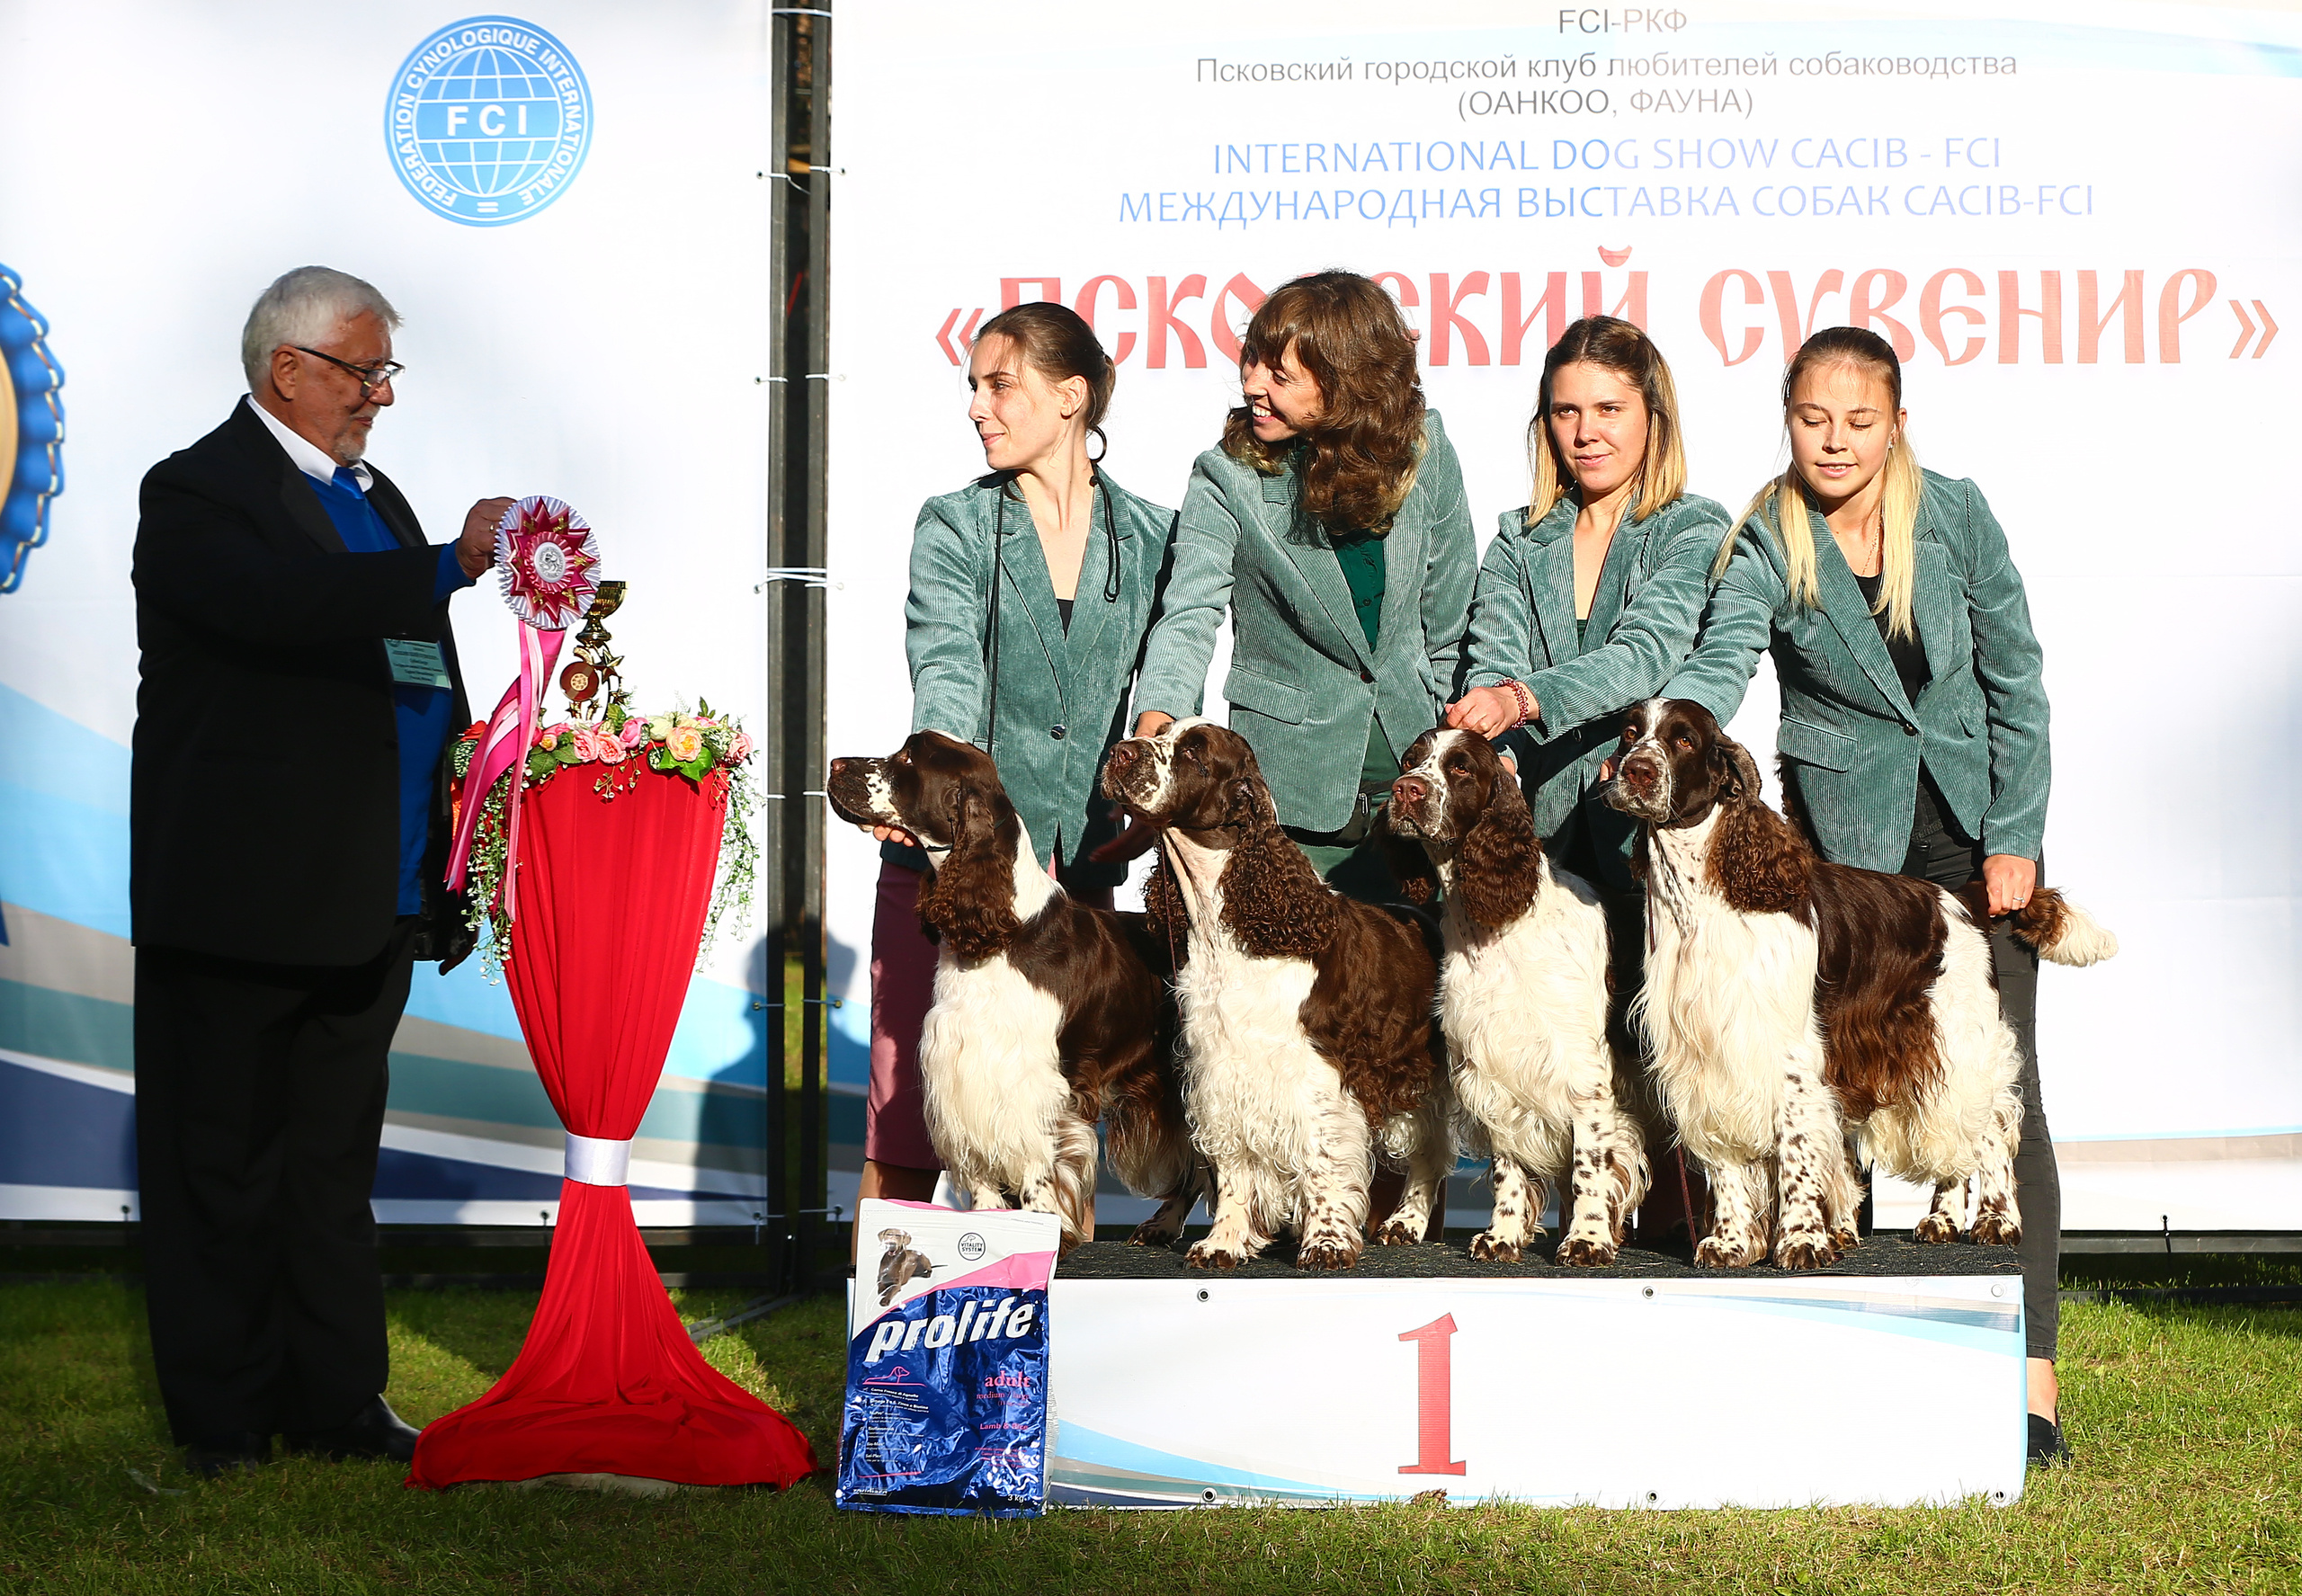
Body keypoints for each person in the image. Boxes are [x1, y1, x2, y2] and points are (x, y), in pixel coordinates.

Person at [1664, 325, 2069, 1467]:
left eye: (1859, 420)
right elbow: (1720, 659)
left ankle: (2031, 1379)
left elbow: (2016, 679)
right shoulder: (1762, 542)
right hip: (1847, 847)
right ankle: (1879, 1359)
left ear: (1897, 420)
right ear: (1784, 416)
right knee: (1851, 1084)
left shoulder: (1958, 512)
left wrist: (2017, 836)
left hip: (1977, 834)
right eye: (1812, 419)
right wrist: (1667, 730)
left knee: (2000, 1092)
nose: (1834, 440)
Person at [130, 266, 510, 1475]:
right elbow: (278, 606)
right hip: (241, 902)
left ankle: (338, 1395)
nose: (380, 396)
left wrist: (458, 819)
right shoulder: (197, 490)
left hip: (371, 896)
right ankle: (224, 1416)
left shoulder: (374, 495)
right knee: (220, 1168)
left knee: (331, 1167)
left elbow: (415, 662)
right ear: (287, 368)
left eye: (385, 371)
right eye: (363, 370)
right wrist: (447, 562)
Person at [856, 302, 1176, 1215]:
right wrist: (943, 790)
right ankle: (882, 1354)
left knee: (1054, 1132)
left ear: (1072, 396)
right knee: (911, 1129)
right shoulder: (953, 524)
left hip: (1077, 881)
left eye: (999, 384)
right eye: (972, 388)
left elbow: (1168, 669)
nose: (976, 407)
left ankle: (1047, 1342)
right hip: (952, 865)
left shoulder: (1159, 536)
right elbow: (946, 661)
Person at [1443, 315, 1728, 1242]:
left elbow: (1644, 652)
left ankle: (1677, 1227)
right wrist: (1497, 723)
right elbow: (1484, 661)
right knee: (1537, 1046)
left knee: (1661, 1038)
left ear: (1654, 415)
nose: (1586, 429)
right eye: (1564, 410)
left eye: (1608, 407)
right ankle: (1545, 1216)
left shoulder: (1691, 529)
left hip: (1636, 833)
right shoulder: (1516, 538)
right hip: (1530, 837)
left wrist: (1523, 697)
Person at [1129, 270, 1477, 903]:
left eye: (1279, 375)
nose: (1252, 384)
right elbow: (1188, 614)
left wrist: (1459, 750)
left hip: (1415, 784)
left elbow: (1453, 621)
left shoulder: (1426, 451)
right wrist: (1155, 738)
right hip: (1290, 793)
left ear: (1346, 384)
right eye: (1252, 360)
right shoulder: (1225, 476)